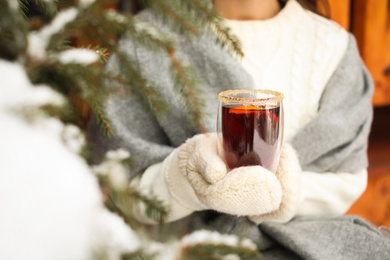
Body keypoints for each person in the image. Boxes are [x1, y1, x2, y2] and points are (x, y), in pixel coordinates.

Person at [88, 0, 390, 258]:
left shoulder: (333, 48)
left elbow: (345, 179)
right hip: (182, 247)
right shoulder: (148, 43)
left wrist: (284, 193)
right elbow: (117, 183)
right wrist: (187, 179)